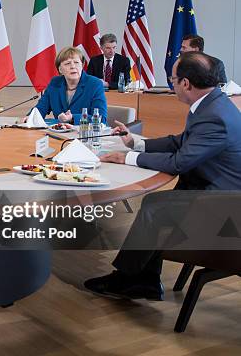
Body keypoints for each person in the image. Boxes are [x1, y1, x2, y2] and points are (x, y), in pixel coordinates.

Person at [84, 51, 241, 300]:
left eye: (173, 79)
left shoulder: (215, 116)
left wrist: (126, 158)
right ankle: (142, 279)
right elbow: (181, 141)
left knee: (155, 206)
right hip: (207, 187)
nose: (172, 83)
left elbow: (180, 161)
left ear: (186, 84)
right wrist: (135, 143)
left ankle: (131, 280)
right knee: (159, 206)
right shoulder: (213, 103)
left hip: (225, 203)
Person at [27, 46, 107, 124]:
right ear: (60, 69)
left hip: (86, 134)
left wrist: (73, 118)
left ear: (82, 65)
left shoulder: (94, 84)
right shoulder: (55, 83)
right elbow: (41, 108)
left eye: (76, 62)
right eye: (68, 63)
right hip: (60, 134)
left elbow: (101, 119)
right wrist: (31, 117)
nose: (73, 66)